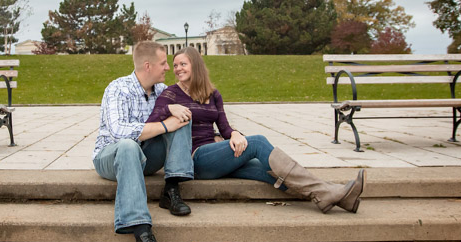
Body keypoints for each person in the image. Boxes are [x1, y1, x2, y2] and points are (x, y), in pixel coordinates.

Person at [147, 47, 364, 213]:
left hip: (218, 153)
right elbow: (152, 121)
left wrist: (235, 134)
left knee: (266, 171)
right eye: (175, 66)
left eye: (183, 64)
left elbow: (224, 127)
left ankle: (333, 196)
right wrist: (169, 108)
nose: (177, 69)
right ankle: (331, 192)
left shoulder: (212, 93)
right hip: (196, 159)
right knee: (258, 142)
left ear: (196, 65)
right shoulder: (171, 94)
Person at [92, 41, 195, 242]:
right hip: (111, 157)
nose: (169, 68)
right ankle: (141, 232)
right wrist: (165, 125)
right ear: (148, 66)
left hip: (145, 158)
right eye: (163, 63)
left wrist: (173, 113)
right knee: (129, 145)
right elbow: (119, 132)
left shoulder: (162, 91)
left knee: (182, 117)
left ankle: (172, 188)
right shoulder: (118, 88)